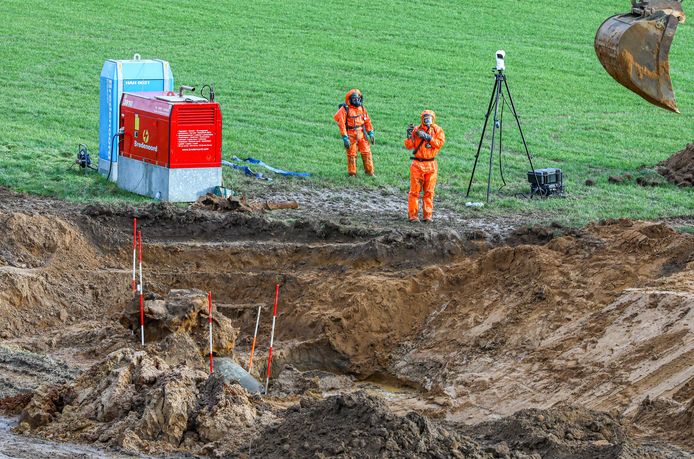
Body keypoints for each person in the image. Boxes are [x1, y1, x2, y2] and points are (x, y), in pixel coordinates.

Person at [404, 110, 445, 222]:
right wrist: (409, 136)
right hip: (417, 164)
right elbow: (409, 146)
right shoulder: (416, 130)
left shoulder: (438, 130)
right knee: (414, 192)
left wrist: (428, 137)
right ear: (422, 119)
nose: (427, 120)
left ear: (433, 118)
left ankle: (428, 216)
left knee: (429, 192)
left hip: (431, 164)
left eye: (429, 117)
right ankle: (413, 216)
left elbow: (439, 144)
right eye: (425, 118)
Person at [333, 89, 375, 176]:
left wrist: (370, 133)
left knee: (367, 152)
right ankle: (352, 173)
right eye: (354, 99)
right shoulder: (345, 109)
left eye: (358, 99)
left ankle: (369, 172)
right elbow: (341, 124)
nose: (357, 101)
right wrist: (345, 138)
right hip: (351, 134)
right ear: (350, 100)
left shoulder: (362, 108)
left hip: (362, 134)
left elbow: (367, 121)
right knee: (351, 154)